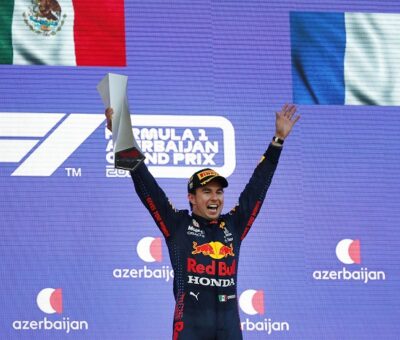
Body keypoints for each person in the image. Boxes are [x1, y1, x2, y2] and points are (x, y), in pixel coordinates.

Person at [105, 104, 300, 340]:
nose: (215, 198)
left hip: (229, 331)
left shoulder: (233, 226)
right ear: (191, 198)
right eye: (207, 192)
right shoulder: (177, 225)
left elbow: (257, 188)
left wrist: (278, 140)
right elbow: (145, 184)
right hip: (190, 331)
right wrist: (121, 137)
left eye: (219, 192)